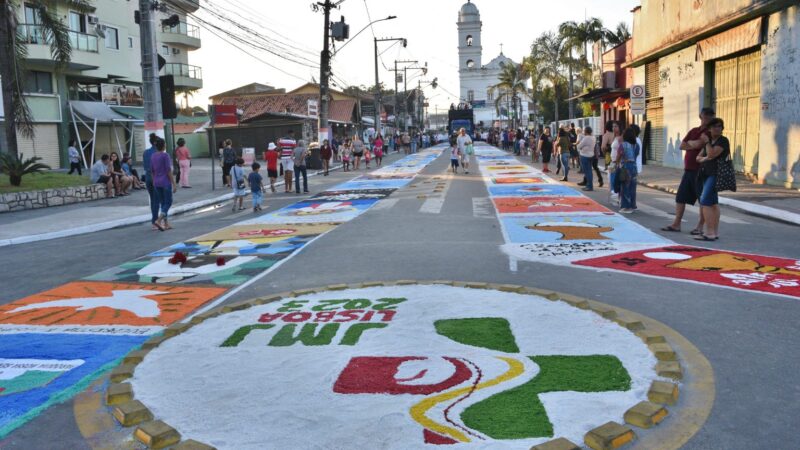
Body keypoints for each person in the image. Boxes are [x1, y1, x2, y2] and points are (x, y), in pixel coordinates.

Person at [661, 108, 714, 234]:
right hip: (688, 170)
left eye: (710, 115)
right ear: (700, 116)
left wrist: (692, 143)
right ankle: (676, 224)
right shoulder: (694, 130)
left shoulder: (710, 132)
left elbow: (700, 144)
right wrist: (693, 143)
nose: (707, 117)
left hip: (701, 170)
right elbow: (681, 145)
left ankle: (700, 227)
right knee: (680, 197)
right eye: (705, 115)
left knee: (703, 200)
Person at [695, 117, 728, 241]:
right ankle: (714, 232)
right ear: (709, 128)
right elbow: (698, 158)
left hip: (716, 174)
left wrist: (707, 144)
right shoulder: (710, 142)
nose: (717, 128)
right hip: (706, 174)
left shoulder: (723, 141)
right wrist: (706, 157)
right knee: (713, 203)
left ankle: (709, 233)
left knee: (705, 201)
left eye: (720, 126)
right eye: (715, 126)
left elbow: (712, 154)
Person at [150, 138, 177, 229]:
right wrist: (174, 183)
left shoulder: (153, 156)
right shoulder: (165, 155)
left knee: (163, 203)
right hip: (165, 182)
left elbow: (152, 171)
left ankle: (166, 223)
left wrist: (154, 181)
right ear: (164, 145)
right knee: (168, 202)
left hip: (157, 182)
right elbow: (168, 170)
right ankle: (158, 220)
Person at [617, 127, 640, 214]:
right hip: (634, 166)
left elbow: (619, 156)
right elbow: (636, 155)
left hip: (626, 167)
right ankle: (633, 205)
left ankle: (626, 207)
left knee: (625, 186)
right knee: (633, 187)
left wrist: (616, 163)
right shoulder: (636, 145)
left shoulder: (622, 145)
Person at [143, 133, 161, 230]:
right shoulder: (158, 153)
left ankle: (154, 221)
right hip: (156, 177)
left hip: (147, 177)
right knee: (156, 201)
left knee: (153, 200)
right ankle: (155, 221)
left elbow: (145, 165)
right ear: (155, 142)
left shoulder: (146, 152)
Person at [577, 127, 596, 191]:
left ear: (586, 131)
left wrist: (582, 148)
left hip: (585, 155)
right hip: (591, 155)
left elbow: (579, 146)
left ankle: (589, 186)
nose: (583, 132)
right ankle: (589, 185)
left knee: (587, 172)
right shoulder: (593, 137)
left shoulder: (586, 138)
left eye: (584, 130)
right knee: (589, 171)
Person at [609, 122, 623, 203]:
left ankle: (619, 197)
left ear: (620, 127)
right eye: (613, 126)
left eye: (616, 126)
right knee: (612, 180)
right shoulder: (614, 137)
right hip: (613, 161)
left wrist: (618, 161)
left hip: (617, 162)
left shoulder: (621, 138)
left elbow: (621, 150)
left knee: (616, 181)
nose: (614, 128)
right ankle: (618, 197)